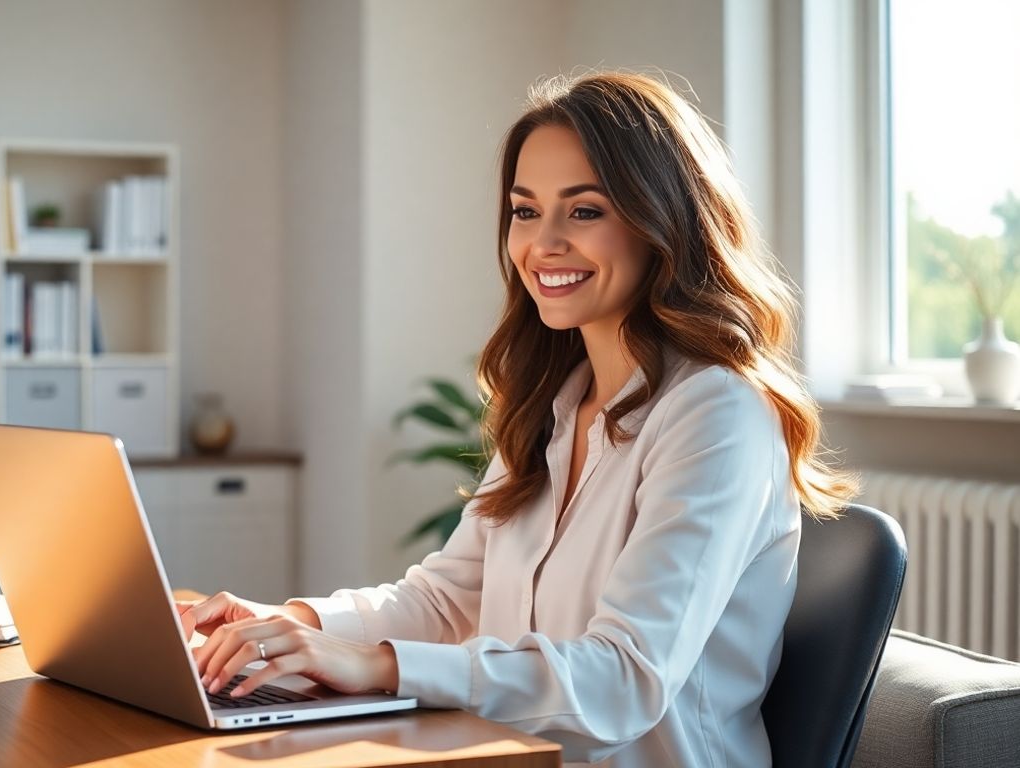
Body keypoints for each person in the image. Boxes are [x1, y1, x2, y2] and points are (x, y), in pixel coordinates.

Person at [178, 71, 858, 767]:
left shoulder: (717, 414)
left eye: (585, 211)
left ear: (664, 223)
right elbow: (447, 601)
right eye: (525, 211)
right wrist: (293, 624)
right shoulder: (555, 402)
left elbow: (624, 681)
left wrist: (375, 665)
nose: (543, 243)